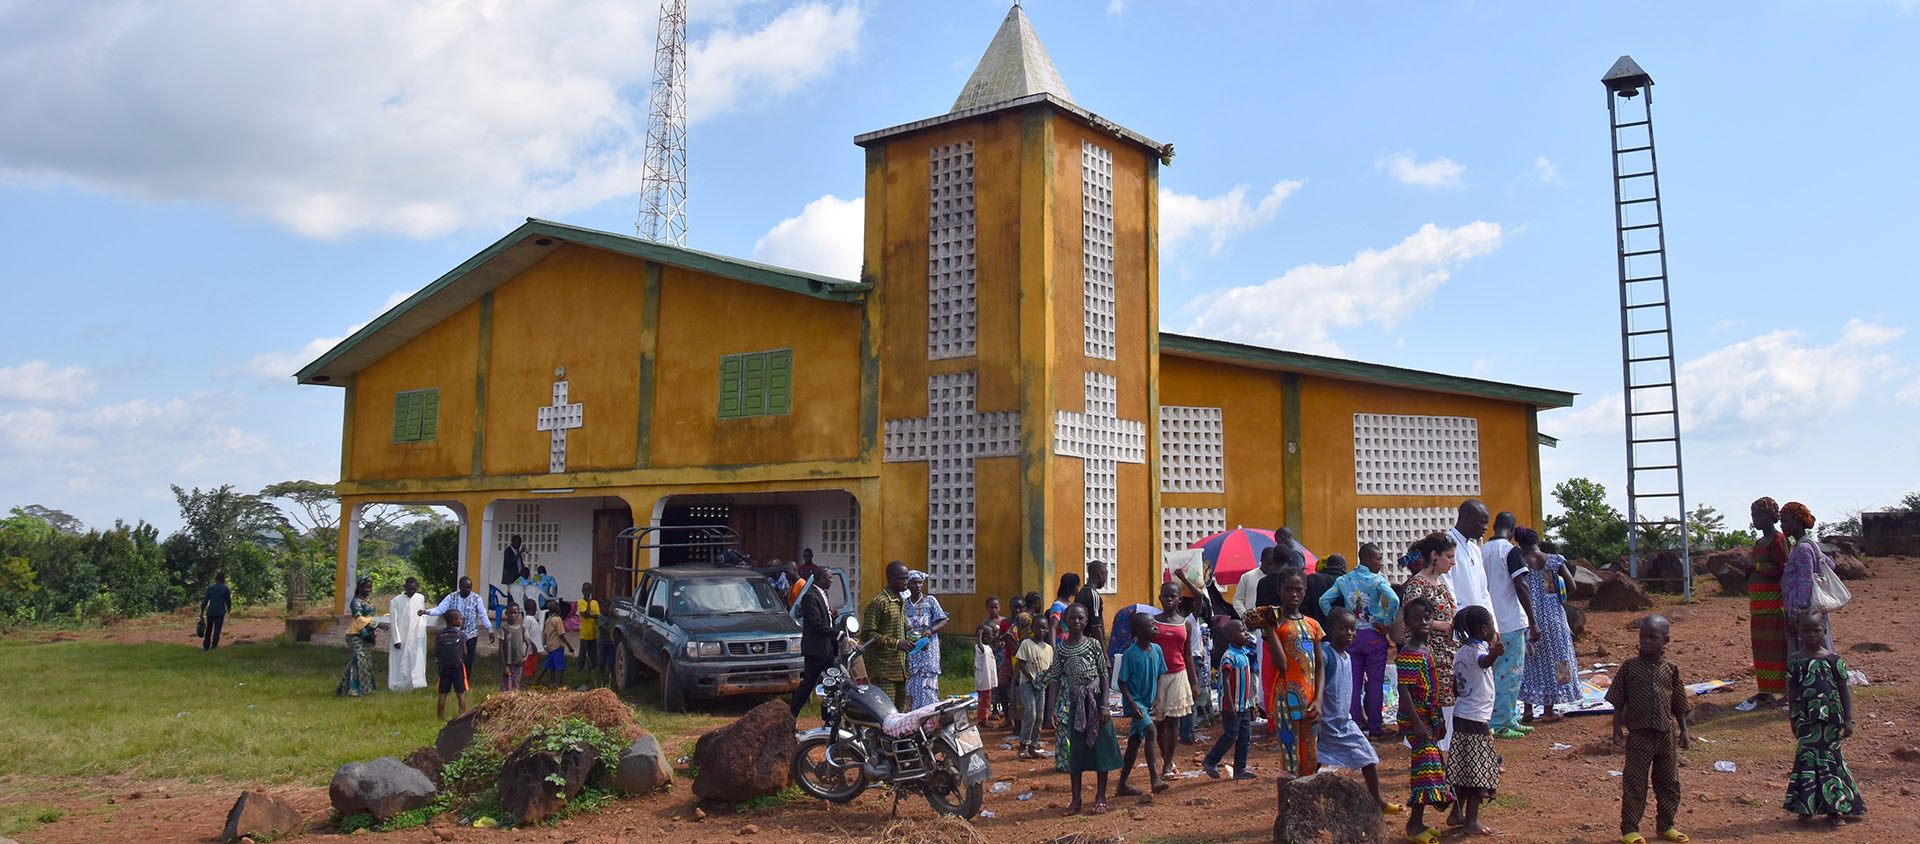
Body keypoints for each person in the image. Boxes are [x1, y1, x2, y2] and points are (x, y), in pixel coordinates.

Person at [1607, 614, 1691, 844]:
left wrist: (1683, 730)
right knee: (1635, 783)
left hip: (1666, 736)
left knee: (1669, 783)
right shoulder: (1629, 668)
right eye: (1643, 636)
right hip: (1639, 736)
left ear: (1666, 640)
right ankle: (1630, 829)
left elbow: (1679, 703)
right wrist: (1617, 729)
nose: (1645, 641)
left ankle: (1666, 826)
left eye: (1652, 637)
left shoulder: (1671, 670)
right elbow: (1617, 701)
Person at [1782, 611, 1864, 827]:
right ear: (1797, 632)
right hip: (1806, 720)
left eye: (1816, 630)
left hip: (1831, 720)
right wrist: (1793, 717)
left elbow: (1844, 691)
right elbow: (1792, 691)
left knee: (1831, 760)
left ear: (1825, 631)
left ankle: (1835, 811)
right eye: (1806, 630)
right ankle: (1806, 808)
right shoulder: (1795, 661)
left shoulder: (1834, 660)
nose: (1812, 634)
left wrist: (1848, 719)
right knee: (1806, 760)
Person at [1039, 602, 1122, 814]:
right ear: (1065, 621)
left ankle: (1100, 796)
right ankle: (1076, 799)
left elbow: (1104, 675)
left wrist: (1105, 705)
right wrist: (1052, 709)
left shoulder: (1094, 644)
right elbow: (1056, 678)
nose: (1076, 622)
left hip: (1096, 703)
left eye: (1080, 618)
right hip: (1076, 705)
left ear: (1086, 621)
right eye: (1072, 618)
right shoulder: (1062, 649)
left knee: (1100, 751)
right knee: (1075, 752)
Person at [1316, 608, 1400, 815]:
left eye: (1352, 629)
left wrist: (1359, 713)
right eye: (1343, 628)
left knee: (1368, 757)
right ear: (1330, 630)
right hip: (1326, 723)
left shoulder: (1347, 656)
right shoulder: (1326, 653)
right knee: (1312, 764)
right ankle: (1304, 802)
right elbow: (1318, 681)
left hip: (1345, 722)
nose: (1349, 633)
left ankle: (1377, 800)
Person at [1246, 566, 1323, 776]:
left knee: (1311, 757)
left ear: (1305, 591)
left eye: (1298, 589)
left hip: (1310, 699)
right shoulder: (1276, 623)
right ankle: (1286, 807)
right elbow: (1281, 665)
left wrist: (1319, 699)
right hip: (1285, 699)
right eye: (1289, 589)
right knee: (1289, 758)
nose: (1294, 594)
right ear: (1280, 591)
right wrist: (1269, 631)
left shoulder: (1313, 625)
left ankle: (1305, 806)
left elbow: (1319, 666)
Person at [1321, 543, 1400, 739]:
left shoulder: (1344, 580)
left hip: (1352, 636)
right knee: (1375, 683)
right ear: (1366, 559)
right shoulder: (1376, 581)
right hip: (1374, 636)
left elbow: (1324, 600)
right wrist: (1386, 623)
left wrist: (1336, 622)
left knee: (1352, 683)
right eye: (1378, 559)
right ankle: (1375, 728)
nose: (1381, 563)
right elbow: (1394, 601)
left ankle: (1355, 726)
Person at [1397, 598, 1454, 844]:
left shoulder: (1426, 650)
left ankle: (1418, 822)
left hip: (1427, 717)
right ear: (1407, 623)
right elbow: (1404, 691)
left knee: (1429, 768)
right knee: (1425, 770)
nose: (1424, 622)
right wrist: (1418, 724)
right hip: (1416, 719)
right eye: (1417, 618)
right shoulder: (1409, 652)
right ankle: (1413, 824)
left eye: (1427, 617)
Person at [1446, 605, 1504, 836]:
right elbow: (1483, 662)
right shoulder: (1477, 651)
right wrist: (1494, 654)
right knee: (1478, 771)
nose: (1492, 629)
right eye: (1491, 625)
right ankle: (1471, 821)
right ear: (1483, 629)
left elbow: (1456, 684)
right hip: (1475, 718)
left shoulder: (1461, 652)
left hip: (1463, 715)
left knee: (1463, 769)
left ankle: (1456, 814)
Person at [1402, 533, 1461, 749]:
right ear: (1434, 556)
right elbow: (1412, 620)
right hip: (1429, 658)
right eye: (1449, 556)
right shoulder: (1417, 585)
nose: (1452, 562)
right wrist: (1441, 625)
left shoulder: (1441, 583)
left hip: (1447, 656)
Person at [1516, 530, 1580, 723]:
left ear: (1522, 545)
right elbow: (1572, 586)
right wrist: (1554, 592)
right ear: (1538, 543)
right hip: (1554, 616)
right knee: (1558, 659)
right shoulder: (1554, 560)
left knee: (1530, 662)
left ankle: (1527, 709)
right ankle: (1549, 710)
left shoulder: (1521, 562)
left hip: (1529, 616)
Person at [1480, 512, 1534, 738]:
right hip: (1510, 621)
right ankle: (1502, 722)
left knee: (1495, 674)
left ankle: (1509, 717)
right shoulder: (1511, 551)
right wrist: (1533, 621)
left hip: (1489, 622)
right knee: (1511, 674)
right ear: (1512, 530)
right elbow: (1520, 585)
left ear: (1494, 527)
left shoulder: (1481, 550)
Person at [1113, 612, 1168, 802]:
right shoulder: (1130, 654)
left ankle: (1122, 784)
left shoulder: (1157, 650)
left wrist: (1157, 697)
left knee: (1134, 743)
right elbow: (1121, 682)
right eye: (1151, 625)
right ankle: (1154, 779)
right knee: (1151, 732)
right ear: (1138, 631)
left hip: (1147, 702)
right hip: (1135, 703)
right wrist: (1131, 703)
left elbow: (1161, 674)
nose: (1155, 627)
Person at [1150, 581, 1198, 776]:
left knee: (1173, 721)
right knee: (1158, 722)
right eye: (1166, 595)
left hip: (1178, 675)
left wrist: (1193, 681)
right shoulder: (1152, 622)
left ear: (1179, 599)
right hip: (1157, 676)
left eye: (1173, 596)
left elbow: (1187, 654)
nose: (1169, 599)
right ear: (1160, 597)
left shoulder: (1185, 624)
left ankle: (1168, 763)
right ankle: (1164, 756)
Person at [1201, 618, 1258, 780]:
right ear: (1232, 638)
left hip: (1244, 705)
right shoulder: (1229, 657)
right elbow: (1225, 680)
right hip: (1231, 705)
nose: (1247, 634)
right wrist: (1230, 703)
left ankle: (1240, 768)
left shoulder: (1243, 654)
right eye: (1242, 631)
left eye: (1246, 631)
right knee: (1230, 735)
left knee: (1245, 736)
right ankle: (1210, 760)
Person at [1746, 497, 1790, 705]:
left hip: (1774, 604)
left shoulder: (1778, 539)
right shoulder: (1759, 542)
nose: (1755, 520)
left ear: (1771, 517)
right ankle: (1766, 690)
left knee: (1778, 648)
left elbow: (1782, 569)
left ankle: (1786, 691)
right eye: (1753, 516)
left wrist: (1754, 568)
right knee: (1762, 649)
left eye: (1759, 516)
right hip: (1758, 605)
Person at [1779, 501, 1832, 653]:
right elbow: (1831, 565)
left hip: (1805, 615)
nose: (1782, 526)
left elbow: (1805, 582)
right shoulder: (1810, 545)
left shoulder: (1802, 548)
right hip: (1813, 613)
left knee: (1806, 653)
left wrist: (1797, 614)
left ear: (1797, 521)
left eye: (1785, 521)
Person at [860, 561, 914, 709]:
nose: (905, 582)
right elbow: (867, 634)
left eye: (906, 578)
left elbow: (896, 631)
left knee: (899, 716)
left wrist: (912, 641)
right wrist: (896, 644)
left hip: (900, 668)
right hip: (883, 669)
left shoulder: (900, 601)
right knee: (886, 712)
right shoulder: (880, 602)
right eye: (901, 579)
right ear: (890, 578)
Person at [421, 576, 494, 673]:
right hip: (454, 634)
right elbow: (440, 609)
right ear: (460, 587)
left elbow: (483, 615)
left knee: (468, 659)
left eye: (469, 587)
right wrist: (426, 612)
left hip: (471, 634)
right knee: (455, 657)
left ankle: (466, 680)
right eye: (465, 588)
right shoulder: (452, 597)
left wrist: (490, 629)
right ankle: (455, 678)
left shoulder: (476, 598)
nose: (468, 590)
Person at [790, 568, 837, 717]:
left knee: (829, 684)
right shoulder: (809, 596)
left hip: (828, 647)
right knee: (808, 683)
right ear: (821, 579)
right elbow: (816, 624)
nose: (831, 580)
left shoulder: (824, 594)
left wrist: (832, 617)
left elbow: (824, 619)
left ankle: (828, 717)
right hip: (816, 649)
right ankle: (791, 715)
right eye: (829, 578)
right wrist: (838, 634)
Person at [904, 570, 950, 709]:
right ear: (908, 585)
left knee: (927, 683)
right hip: (912, 648)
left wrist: (930, 631)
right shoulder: (904, 604)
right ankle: (914, 714)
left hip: (928, 650)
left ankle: (928, 713)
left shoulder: (930, 601)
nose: (917, 586)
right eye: (914, 583)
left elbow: (943, 620)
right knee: (913, 682)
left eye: (920, 583)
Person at [1443, 500, 1493, 628]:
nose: (1485, 528)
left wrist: (1491, 626)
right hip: (1459, 625)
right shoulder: (1445, 545)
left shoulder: (1475, 549)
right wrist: (1460, 625)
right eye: (1482, 522)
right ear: (1466, 517)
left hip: (1478, 627)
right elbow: (1448, 589)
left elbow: (1483, 592)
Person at [1013, 613, 1054, 760]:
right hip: (1027, 684)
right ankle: (1023, 746)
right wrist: (1031, 678)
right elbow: (1021, 663)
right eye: (1038, 627)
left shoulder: (1049, 649)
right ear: (1032, 628)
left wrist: (1044, 679)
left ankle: (1033, 746)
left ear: (1048, 630)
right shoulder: (1026, 644)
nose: (1041, 630)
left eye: (1044, 628)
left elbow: (1050, 667)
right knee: (1031, 713)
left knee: (1040, 717)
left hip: (1041, 686)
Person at [337, 577, 379, 696]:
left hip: (368, 634)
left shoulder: (368, 601)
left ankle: (366, 688)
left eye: (370, 587)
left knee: (366, 661)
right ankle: (351, 688)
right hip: (355, 634)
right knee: (358, 657)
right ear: (359, 587)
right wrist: (376, 625)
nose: (369, 589)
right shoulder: (355, 602)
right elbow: (359, 619)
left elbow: (370, 616)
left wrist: (372, 633)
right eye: (366, 587)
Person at [388, 577, 428, 692]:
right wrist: (397, 639)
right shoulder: (396, 601)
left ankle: (418, 683)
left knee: (417, 659)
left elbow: (423, 615)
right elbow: (393, 621)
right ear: (404, 587)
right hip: (402, 635)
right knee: (401, 661)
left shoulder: (420, 598)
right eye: (410, 589)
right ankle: (399, 685)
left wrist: (422, 629)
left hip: (417, 635)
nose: (412, 591)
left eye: (414, 589)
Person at [435, 609, 470, 719]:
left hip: (444, 668)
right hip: (458, 667)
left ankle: (440, 717)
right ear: (454, 621)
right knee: (460, 693)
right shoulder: (461, 634)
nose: (461, 620)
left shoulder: (440, 635)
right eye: (460, 618)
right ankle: (462, 715)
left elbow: (437, 652)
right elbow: (465, 652)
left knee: (442, 693)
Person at [534, 599, 574, 687]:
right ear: (557, 609)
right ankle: (558, 683)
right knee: (560, 666)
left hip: (550, 646)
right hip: (557, 646)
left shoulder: (548, 620)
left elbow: (544, 634)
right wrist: (569, 646)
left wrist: (545, 644)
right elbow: (561, 634)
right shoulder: (558, 620)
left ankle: (540, 680)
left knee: (549, 665)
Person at [1302, 553, 1345, 628]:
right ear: (1343, 566)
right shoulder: (1347, 582)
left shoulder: (1311, 579)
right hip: (1340, 631)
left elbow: (1304, 606)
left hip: (1314, 628)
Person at [499, 603, 534, 691]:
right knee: (507, 686)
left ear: (519, 614)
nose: (513, 615)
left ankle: (514, 702)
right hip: (508, 663)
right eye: (510, 613)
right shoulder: (504, 629)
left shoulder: (522, 629)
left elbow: (529, 644)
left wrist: (525, 657)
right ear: (506, 614)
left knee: (516, 685)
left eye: (515, 613)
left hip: (518, 663)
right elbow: (501, 648)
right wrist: (504, 666)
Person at [1076, 560, 1110, 644]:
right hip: (1090, 643)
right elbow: (1096, 627)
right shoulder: (1094, 596)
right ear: (1100, 575)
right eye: (1106, 575)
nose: (1106, 579)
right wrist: (1103, 653)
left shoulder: (1080, 594)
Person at [973, 620, 1000, 727]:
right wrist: (979, 637)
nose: (992, 637)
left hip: (988, 681)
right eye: (990, 635)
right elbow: (980, 646)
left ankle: (984, 719)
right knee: (984, 702)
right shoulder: (980, 647)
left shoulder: (988, 647)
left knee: (987, 701)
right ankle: (983, 721)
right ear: (984, 637)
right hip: (984, 681)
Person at [576, 582, 602, 683]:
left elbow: (597, 616)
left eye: (588, 590)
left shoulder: (595, 602)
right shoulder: (581, 602)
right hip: (584, 632)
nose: (586, 592)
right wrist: (588, 604)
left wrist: (589, 614)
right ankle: (580, 669)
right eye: (585, 590)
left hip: (594, 632)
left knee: (593, 652)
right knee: (582, 653)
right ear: (582, 591)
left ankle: (592, 669)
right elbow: (585, 614)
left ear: (591, 591)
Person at [200, 572, 232, 650]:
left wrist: (202, 611)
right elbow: (228, 600)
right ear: (223, 579)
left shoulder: (210, 588)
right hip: (220, 612)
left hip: (210, 611)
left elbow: (205, 600)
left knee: (209, 629)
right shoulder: (225, 588)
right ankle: (214, 645)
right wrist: (229, 608)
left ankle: (206, 645)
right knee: (217, 629)